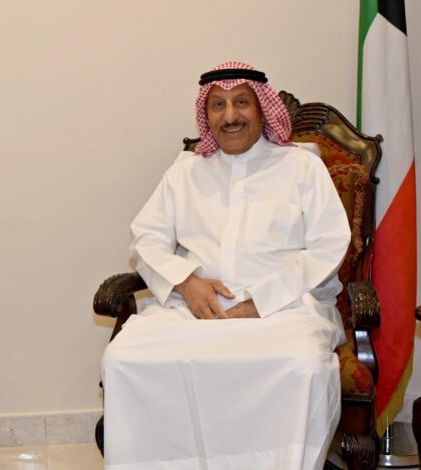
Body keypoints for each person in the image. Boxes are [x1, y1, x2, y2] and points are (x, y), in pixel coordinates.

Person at [100, 61, 351, 469]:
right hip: (194, 311)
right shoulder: (185, 171)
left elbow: (328, 246)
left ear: (262, 109)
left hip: (284, 311)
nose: (230, 116)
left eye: (241, 102)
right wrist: (186, 283)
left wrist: (260, 301)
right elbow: (146, 238)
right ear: (207, 114)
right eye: (218, 105)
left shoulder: (302, 167)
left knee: (303, 365)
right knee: (124, 359)